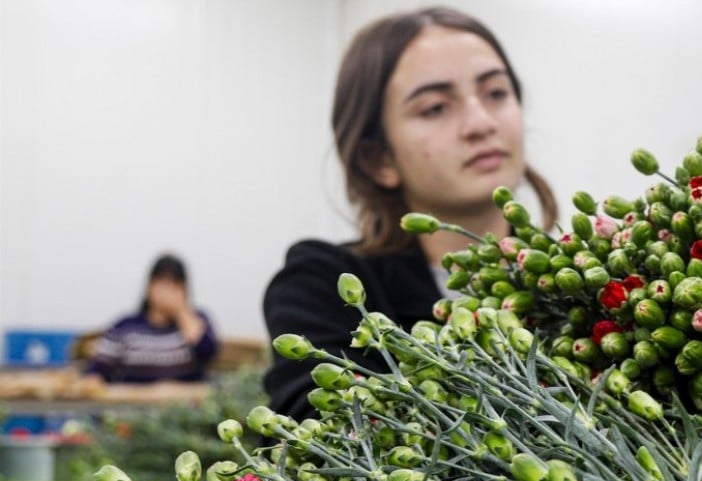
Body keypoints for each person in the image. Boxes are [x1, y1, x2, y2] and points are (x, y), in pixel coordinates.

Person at [262, 6, 557, 420]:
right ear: (378, 158)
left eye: (496, 93)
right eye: (435, 107)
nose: (479, 122)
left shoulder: (572, 281)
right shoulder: (326, 286)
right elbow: (320, 440)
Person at [85, 254, 219, 383]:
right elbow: (98, 369)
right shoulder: (126, 326)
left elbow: (207, 351)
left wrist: (182, 313)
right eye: (163, 283)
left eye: (175, 285)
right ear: (149, 286)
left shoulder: (198, 320)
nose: (168, 292)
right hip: (133, 403)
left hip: (185, 404)